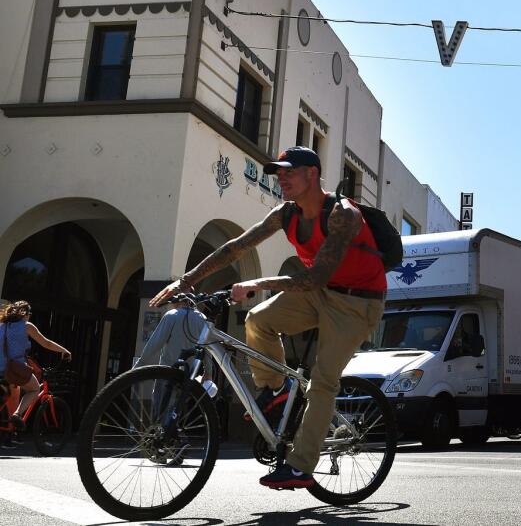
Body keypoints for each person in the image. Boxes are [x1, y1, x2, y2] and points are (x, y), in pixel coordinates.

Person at [149, 146, 385, 490]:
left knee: (322, 380)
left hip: (356, 303)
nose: (281, 178)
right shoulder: (286, 214)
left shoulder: (342, 214)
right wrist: (184, 281)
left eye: (289, 171)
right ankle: (278, 386)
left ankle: (301, 466)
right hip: (320, 293)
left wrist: (257, 282)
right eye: (278, 172)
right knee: (258, 320)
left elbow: (315, 277)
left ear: (312, 174)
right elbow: (236, 247)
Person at [0, 301, 72, 431]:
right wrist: (64, 351)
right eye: (29, 313)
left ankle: (9, 432)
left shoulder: (2, 325)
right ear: (25, 314)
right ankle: (17, 415)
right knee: (34, 389)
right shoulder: (26, 326)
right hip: (13, 369)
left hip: (1, 368)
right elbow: (46, 343)